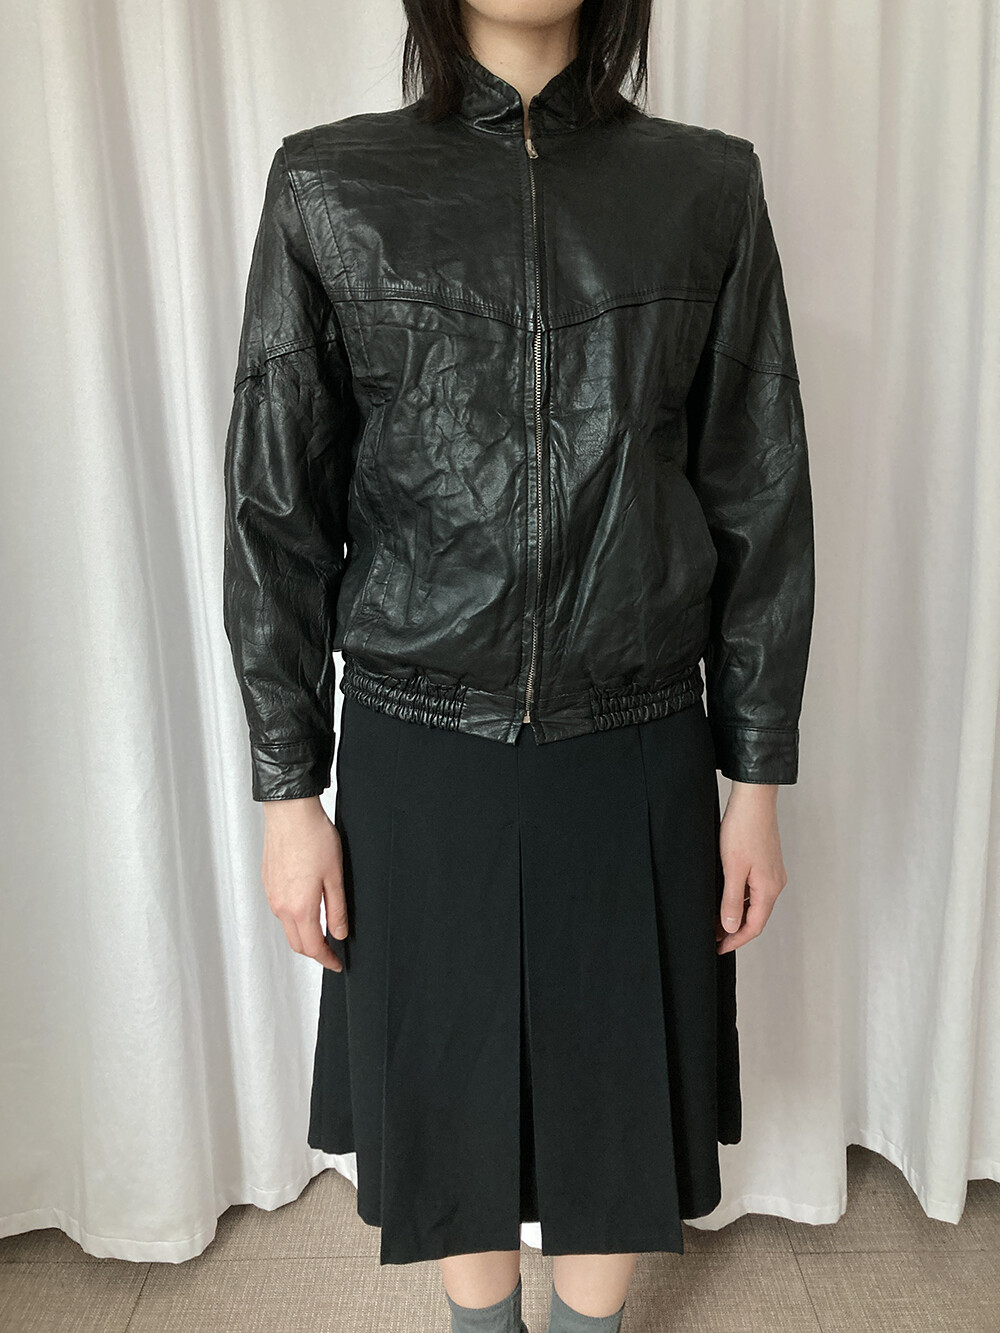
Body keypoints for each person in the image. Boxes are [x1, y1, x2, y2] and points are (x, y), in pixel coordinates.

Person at [221, 0, 815, 1329]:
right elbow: (277, 513)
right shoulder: (332, 186)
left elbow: (759, 496)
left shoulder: (706, 188)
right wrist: (287, 791)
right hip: (419, 737)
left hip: (638, 730)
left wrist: (758, 779)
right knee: (447, 1093)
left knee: (617, 1103)